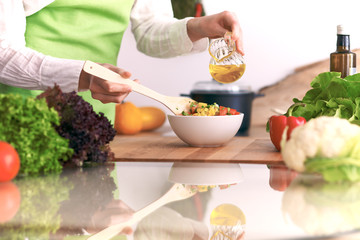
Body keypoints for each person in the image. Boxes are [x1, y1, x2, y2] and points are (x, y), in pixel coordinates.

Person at [0, 0, 244, 123]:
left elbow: (149, 29)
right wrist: (84, 75)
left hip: (95, 121)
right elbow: (3, 52)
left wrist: (198, 27)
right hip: (23, 115)